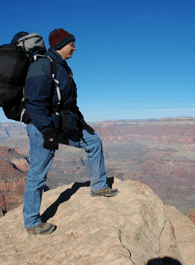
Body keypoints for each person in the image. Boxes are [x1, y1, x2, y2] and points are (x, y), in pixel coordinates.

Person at [23, 28, 119, 236]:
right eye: (71, 44)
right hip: (42, 127)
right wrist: (48, 131)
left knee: (94, 142)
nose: (75, 48)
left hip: (61, 123)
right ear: (59, 45)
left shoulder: (62, 67)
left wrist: (82, 124)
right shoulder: (42, 65)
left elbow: (68, 102)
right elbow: (35, 102)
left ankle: (99, 186)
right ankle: (32, 222)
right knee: (38, 175)